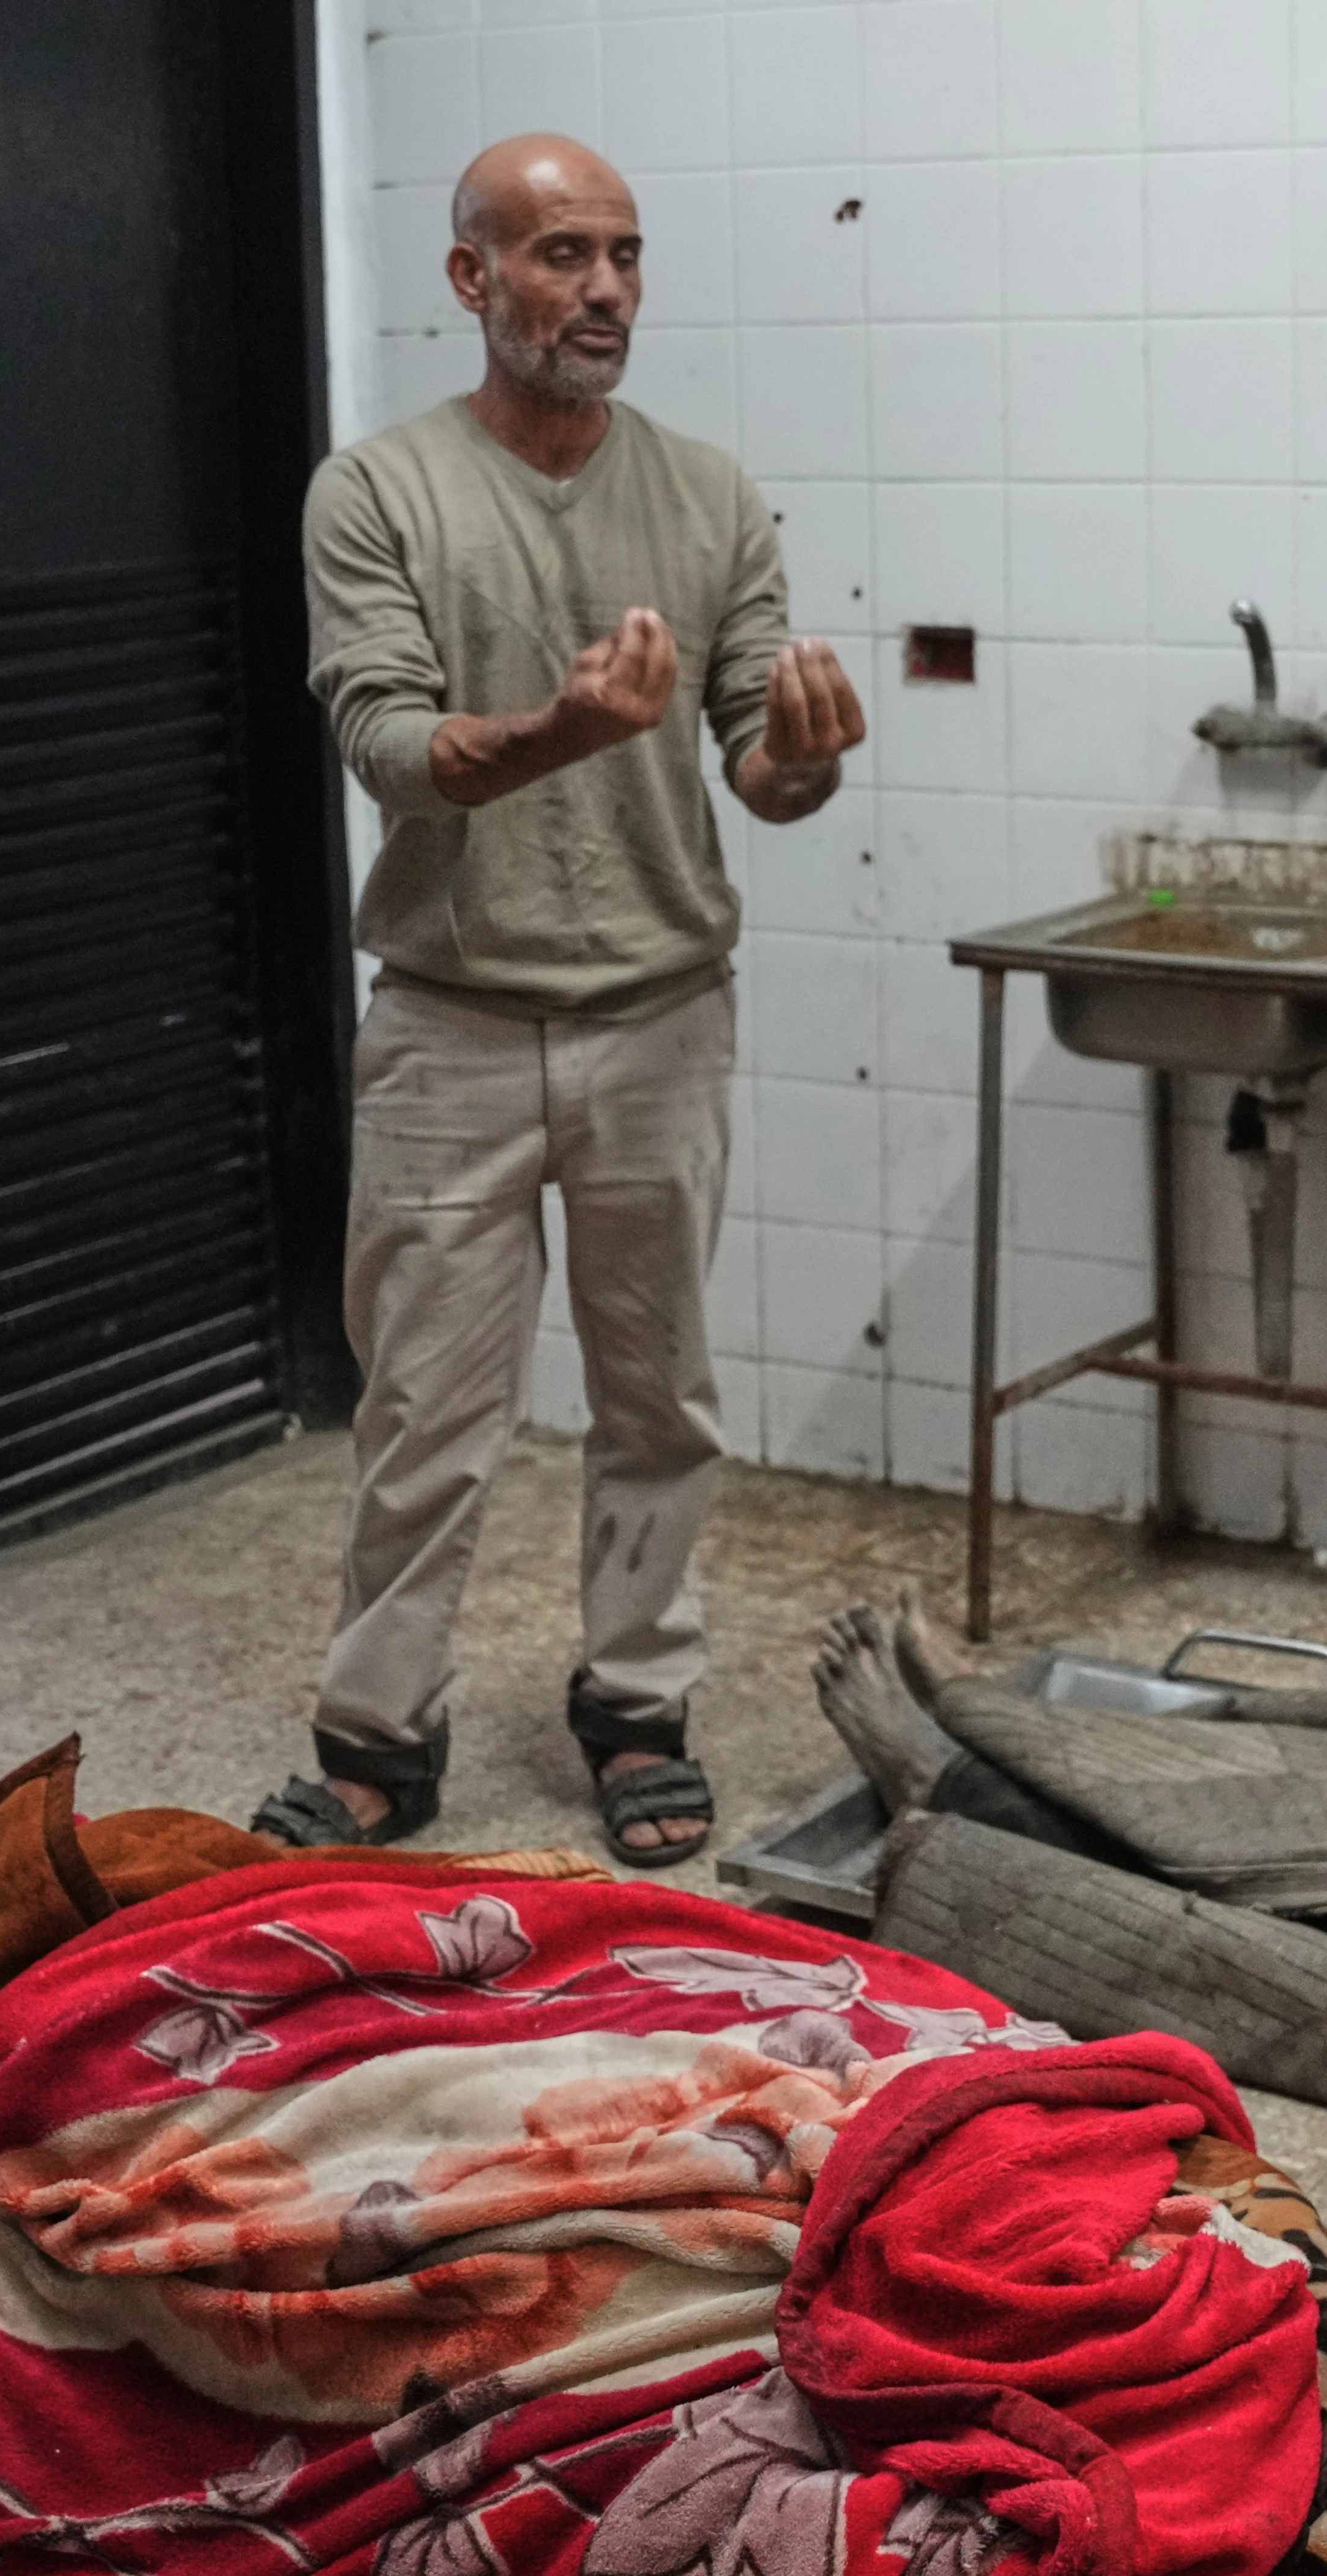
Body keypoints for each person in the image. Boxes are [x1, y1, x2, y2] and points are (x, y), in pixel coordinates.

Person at [254, 134, 864, 1869]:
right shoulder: (375, 493)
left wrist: (801, 760)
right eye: (557, 255)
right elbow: (390, 749)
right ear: (470, 277)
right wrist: (562, 733)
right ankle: (380, 1732)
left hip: (662, 1014)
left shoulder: (712, 495)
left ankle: (637, 1702)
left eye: (623, 257)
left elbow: (757, 760)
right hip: (448, 1018)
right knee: (424, 1408)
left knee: (658, 1391)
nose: (601, 291)